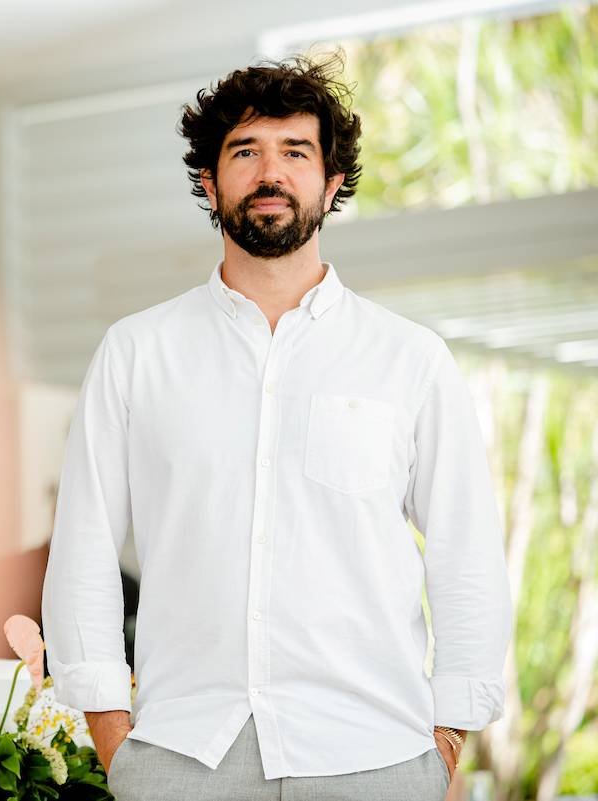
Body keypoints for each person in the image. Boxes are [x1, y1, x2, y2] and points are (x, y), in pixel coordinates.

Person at [40, 57, 512, 801]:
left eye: (295, 152)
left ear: (330, 185)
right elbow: (85, 547)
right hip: (180, 754)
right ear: (209, 182)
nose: (271, 172)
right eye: (245, 152)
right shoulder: (136, 352)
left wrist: (447, 739)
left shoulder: (409, 358)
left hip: (375, 753)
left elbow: (467, 550)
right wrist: (113, 736)